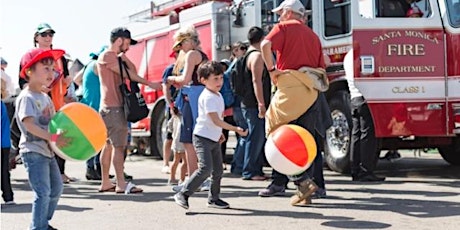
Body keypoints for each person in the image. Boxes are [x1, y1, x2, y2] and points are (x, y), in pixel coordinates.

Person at [258, 0, 329, 206]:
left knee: (276, 136)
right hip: (312, 92)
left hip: (290, 89)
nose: (279, 17)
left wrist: (271, 70)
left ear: (289, 13)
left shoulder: (283, 27)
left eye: (281, 13)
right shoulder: (313, 36)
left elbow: (265, 45)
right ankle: (304, 191)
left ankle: (302, 182)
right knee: (305, 141)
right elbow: (321, 65)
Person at [173, 61, 248, 209]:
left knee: (218, 170)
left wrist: (219, 133)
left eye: (221, 78)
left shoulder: (217, 95)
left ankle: (213, 199)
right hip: (202, 137)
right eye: (215, 79)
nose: (219, 82)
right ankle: (183, 193)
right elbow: (215, 119)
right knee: (205, 169)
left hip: (212, 137)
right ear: (203, 80)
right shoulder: (207, 97)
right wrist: (235, 129)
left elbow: (216, 119)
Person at [97, 27, 161, 194]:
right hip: (114, 108)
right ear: (119, 40)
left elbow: (132, 70)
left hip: (108, 108)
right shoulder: (108, 56)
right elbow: (131, 76)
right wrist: (150, 84)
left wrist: (123, 55)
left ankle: (106, 182)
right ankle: (121, 183)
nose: (129, 47)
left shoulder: (114, 57)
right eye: (127, 43)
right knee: (119, 146)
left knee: (109, 145)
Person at [16, 48, 70, 230]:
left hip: (47, 151)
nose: (51, 72)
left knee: (56, 189)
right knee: (43, 192)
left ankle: (41, 223)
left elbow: (54, 122)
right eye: (45, 68)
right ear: (29, 72)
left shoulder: (45, 97)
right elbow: (29, 125)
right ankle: (38, 227)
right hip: (32, 151)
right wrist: (52, 137)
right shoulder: (27, 97)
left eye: (52, 68)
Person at [19, 23, 75, 184]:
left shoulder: (60, 58)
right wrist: (38, 89)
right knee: (41, 138)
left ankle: (60, 173)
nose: (48, 37)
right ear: (36, 37)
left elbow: (65, 81)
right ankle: (44, 177)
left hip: (57, 102)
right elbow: (22, 81)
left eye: (51, 34)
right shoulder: (29, 57)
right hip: (37, 106)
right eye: (44, 35)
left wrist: (67, 83)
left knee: (60, 136)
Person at [167, 25, 210, 192]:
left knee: (189, 141)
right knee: (197, 140)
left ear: (189, 40)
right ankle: (197, 178)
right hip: (197, 99)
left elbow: (185, 80)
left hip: (190, 99)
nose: (181, 47)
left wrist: (171, 78)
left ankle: (194, 179)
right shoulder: (202, 55)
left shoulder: (192, 54)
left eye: (182, 43)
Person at [344, 49, 385, 182]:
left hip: (354, 97)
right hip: (365, 97)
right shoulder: (361, 55)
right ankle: (366, 170)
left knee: (356, 135)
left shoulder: (348, 56)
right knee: (368, 135)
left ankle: (355, 169)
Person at [240, 27, 272, 181]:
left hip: (247, 102)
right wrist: (261, 103)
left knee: (256, 136)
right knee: (256, 136)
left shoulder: (246, 55)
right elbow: (256, 80)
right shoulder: (257, 56)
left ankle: (255, 170)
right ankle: (250, 171)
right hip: (254, 104)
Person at [73, 46, 107, 181]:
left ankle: (94, 168)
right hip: (96, 105)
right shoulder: (98, 65)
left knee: (93, 138)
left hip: (88, 104)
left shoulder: (88, 65)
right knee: (97, 139)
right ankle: (93, 168)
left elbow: (76, 79)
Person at [228, 41, 249, 176]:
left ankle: (237, 165)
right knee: (245, 134)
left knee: (243, 135)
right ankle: (238, 166)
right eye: (241, 48)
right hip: (238, 104)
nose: (243, 50)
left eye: (244, 48)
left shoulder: (234, 64)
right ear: (235, 51)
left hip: (237, 104)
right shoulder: (237, 64)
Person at [160, 50, 180, 174]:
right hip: (173, 105)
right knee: (169, 135)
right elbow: (165, 88)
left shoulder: (187, 68)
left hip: (184, 106)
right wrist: (170, 105)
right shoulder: (170, 69)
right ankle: (166, 163)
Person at [1, 78, 15, 205]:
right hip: (4, 143)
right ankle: (8, 196)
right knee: (4, 171)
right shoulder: (2, 105)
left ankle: (8, 196)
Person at [167, 113, 187, 185]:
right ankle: (182, 179)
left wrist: (172, 133)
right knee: (185, 161)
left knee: (176, 160)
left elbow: (169, 125)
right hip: (182, 140)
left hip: (175, 140)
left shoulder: (175, 116)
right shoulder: (184, 116)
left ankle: (172, 178)